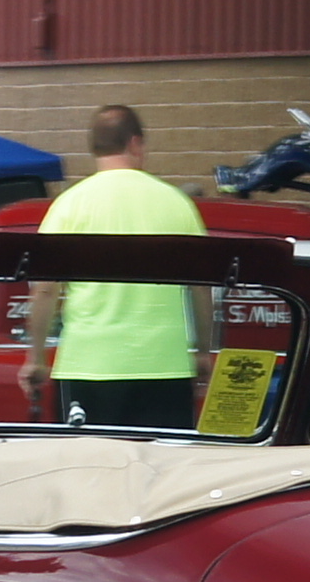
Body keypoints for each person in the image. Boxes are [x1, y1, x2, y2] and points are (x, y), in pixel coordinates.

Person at [34, 104, 209, 429]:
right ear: (135, 143)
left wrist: (35, 358)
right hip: (165, 368)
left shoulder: (68, 205)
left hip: (87, 366)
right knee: (165, 472)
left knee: (90, 472)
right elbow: (201, 286)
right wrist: (202, 350)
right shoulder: (177, 203)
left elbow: (45, 289)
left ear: (94, 148)